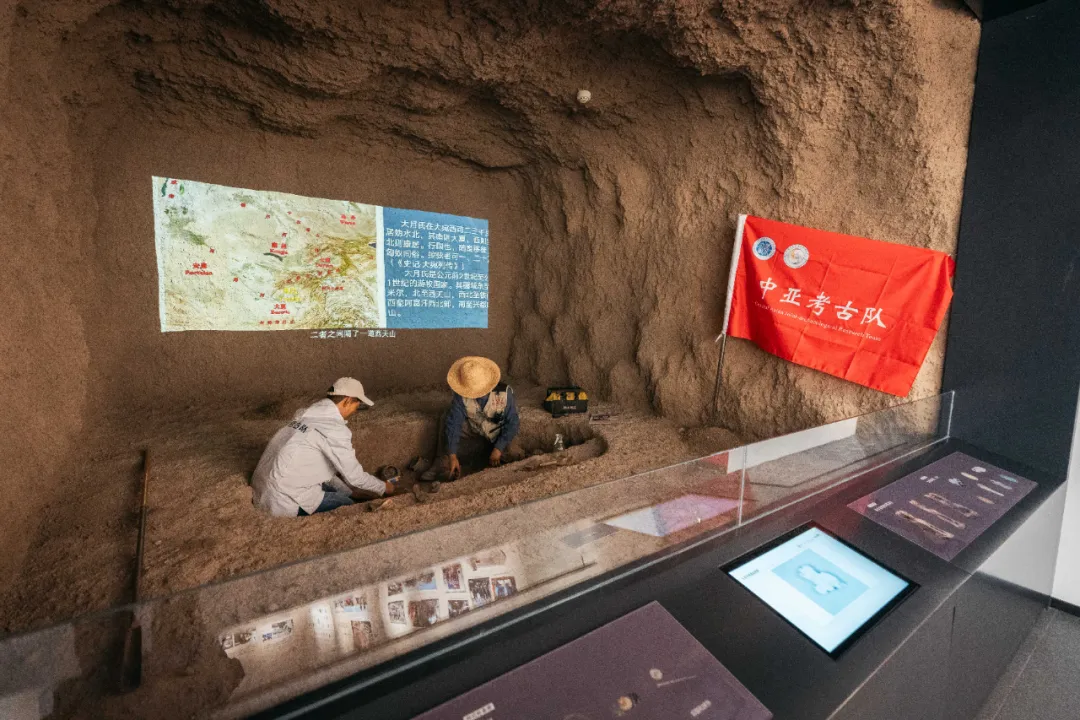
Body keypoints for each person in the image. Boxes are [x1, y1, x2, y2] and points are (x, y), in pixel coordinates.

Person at [252, 378, 394, 517]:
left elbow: (320, 468)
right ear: (348, 401)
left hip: (261, 489)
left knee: (344, 493)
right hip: (283, 501)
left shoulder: (303, 415)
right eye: (357, 404)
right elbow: (355, 477)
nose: (355, 410)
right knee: (347, 504)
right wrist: (384, 487)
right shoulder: (334, 429)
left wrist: (350, 491)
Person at [426, 356, 524, 482]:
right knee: (447, 417)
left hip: (498, 431)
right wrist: (452, 455)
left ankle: (494, 460)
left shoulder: (504, 394)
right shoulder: (460, 395)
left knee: (514, 454)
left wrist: (498, 448)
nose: (473, 395)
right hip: (474, 427)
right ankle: (441, 462)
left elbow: (512, 423)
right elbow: (454, 424)